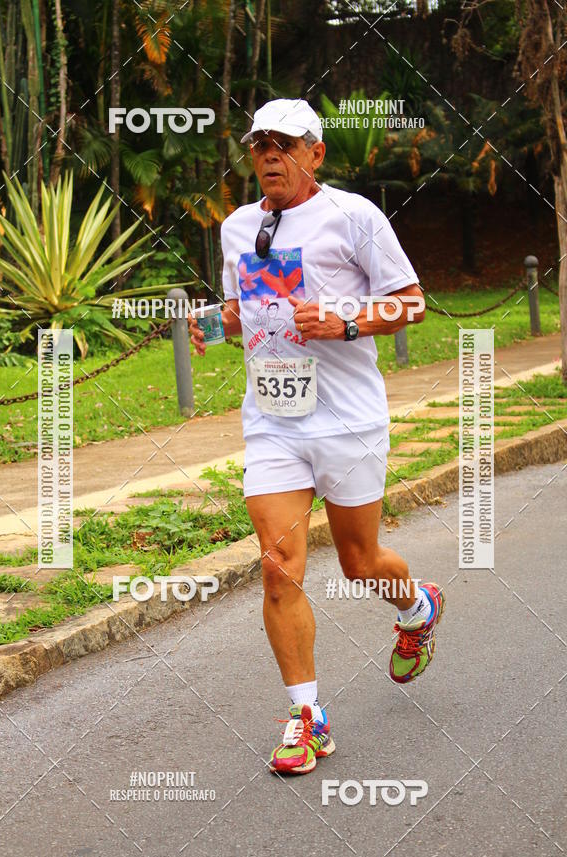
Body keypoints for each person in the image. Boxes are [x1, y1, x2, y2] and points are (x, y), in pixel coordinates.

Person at [189, 98, 445, 776]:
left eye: (285, 144)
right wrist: (212, 324)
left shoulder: (354, 216)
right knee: (278, 568)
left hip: (348, 419)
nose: (270, 155)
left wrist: (347, 321)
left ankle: (417, 607)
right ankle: (307, 717)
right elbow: (245, 311)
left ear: (315, 153)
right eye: (260, 144)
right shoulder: (238, 227)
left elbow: (412, 303)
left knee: (360, 563)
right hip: (273, 422)